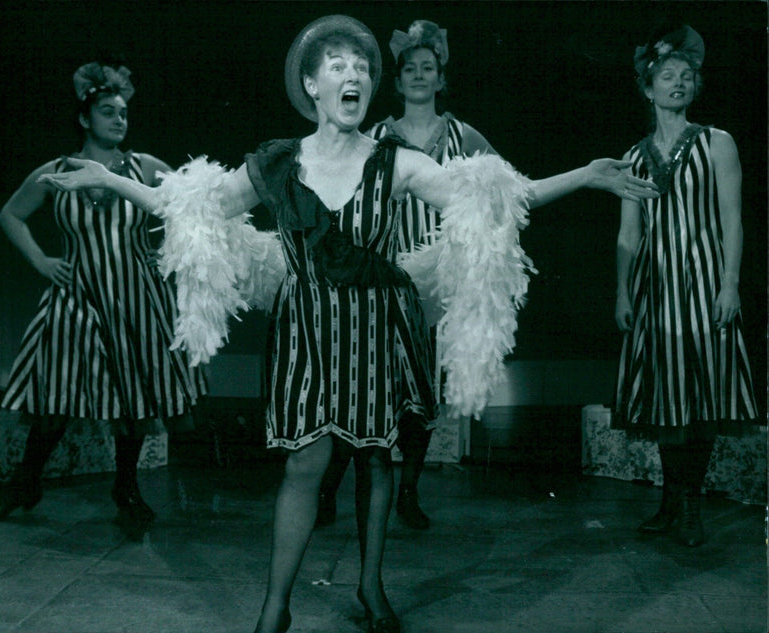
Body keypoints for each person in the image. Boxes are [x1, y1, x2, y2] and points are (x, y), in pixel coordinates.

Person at [38, 16, 657, 632]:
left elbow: (494, 199)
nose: (353, 75)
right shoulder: (279, 163)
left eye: (360, 68)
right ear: (312, 86)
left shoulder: (398, 163)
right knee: (305, 464)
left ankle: (370, 586)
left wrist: (587, 176)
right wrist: (109, 179)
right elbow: (194, 205)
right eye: (338, 66)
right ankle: (275, 607)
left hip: (376, 328)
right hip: (306, 330)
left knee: (375, 459)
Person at [316, 18, 660, 532]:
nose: (417, 75)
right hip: (379, 284)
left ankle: (407, 489)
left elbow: (513, 191)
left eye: (426, 68)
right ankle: (326, 490)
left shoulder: (462, 135)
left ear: (440, 78)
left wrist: (586, 176)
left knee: (420, 396)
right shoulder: (376, 136)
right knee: (361, 389)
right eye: (408, 68)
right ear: (397, 79)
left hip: (439, 288)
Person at [0, 60, 206, 527]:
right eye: (107, 111)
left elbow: (192, 209)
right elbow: (9, 215)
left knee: (133, 396)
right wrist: (41, 261)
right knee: (54, 389)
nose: (119, 119)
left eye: (123, 112)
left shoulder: (146, 168)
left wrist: (171, 260)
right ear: (85, 118)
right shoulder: (56, 172)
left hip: (136, 298)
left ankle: (126, 487)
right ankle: (27, 483)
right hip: (75, 296)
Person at [613, 24, 758, 547]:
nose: (677, 83)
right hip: (656, 294)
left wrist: (730, 285)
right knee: (666, 399)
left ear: (696, 87)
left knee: (699, 399)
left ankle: (690, 503)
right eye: (666, 75)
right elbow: (628, 234)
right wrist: (623, 293)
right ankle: (671, 500)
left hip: (702, 288)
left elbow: (732, 219)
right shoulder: (633, 155)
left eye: (686, 76)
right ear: (648, 88)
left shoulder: (717, 142)